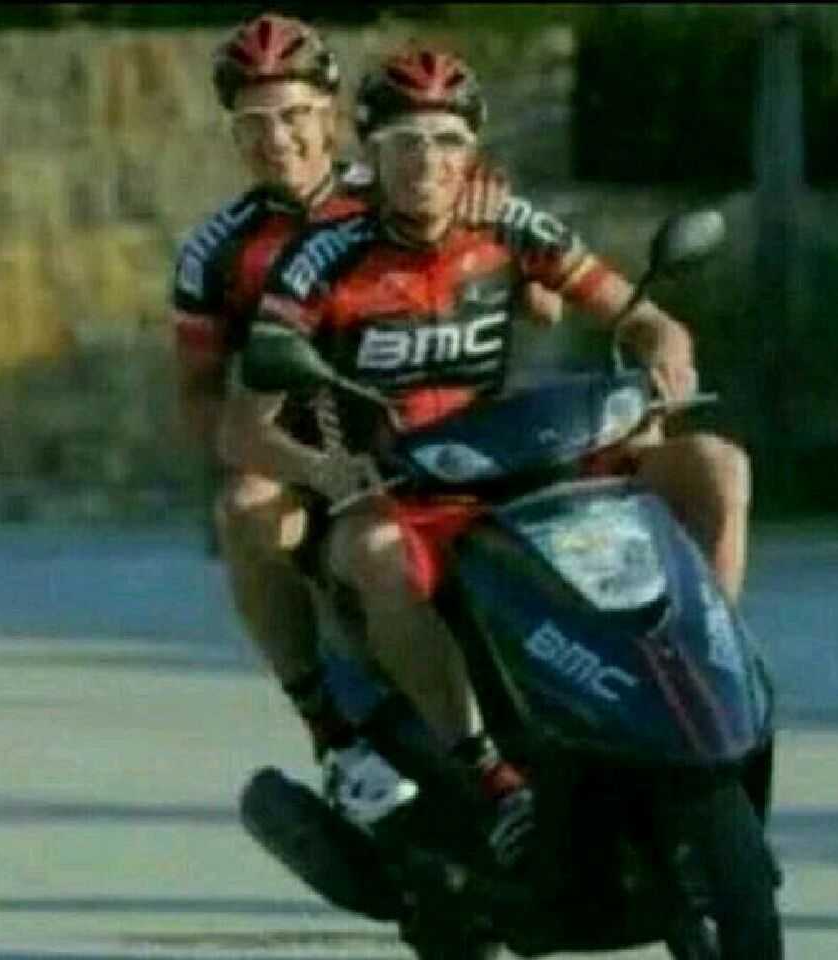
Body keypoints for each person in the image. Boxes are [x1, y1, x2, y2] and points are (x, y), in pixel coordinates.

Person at [240, 46, 752, 868]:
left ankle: (705, 676)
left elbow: (644, 319)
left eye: (447, 141)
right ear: (370, 152)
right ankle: (489, 777)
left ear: (473, 148)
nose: (427, 163)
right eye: (405, 142)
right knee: (374, 552)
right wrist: (325, 471)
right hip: (397, 492)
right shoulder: (320, 259)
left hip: (519, 468)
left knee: (717, 466)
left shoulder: (511, 222)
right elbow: (243, 426)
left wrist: (665, 366)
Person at [169, 15, 556, 832]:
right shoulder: (217, 252)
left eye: (295, 116)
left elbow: (535, 295)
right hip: (313, 465)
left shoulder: (403, 178)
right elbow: (201, 396)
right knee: (243, 505)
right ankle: (335, 737)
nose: (278, 140)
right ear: (232, 132)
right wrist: (281, 466)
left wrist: (505, 221)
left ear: (333, 115)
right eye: (253, 123)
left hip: (448, 448)